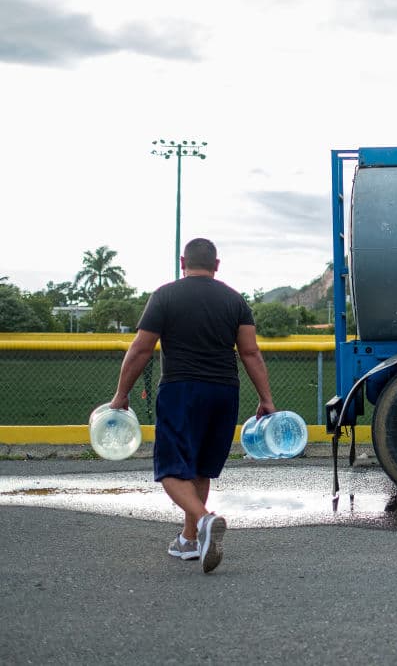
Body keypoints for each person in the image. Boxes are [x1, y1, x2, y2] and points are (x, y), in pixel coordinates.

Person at [110, 238, 275, 573]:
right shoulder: (234, 300)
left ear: (183, 261)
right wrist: (266, 399)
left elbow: (141, 349)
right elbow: (250, 353)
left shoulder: (165, 296)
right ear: (217, 265)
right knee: (200, 467)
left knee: (170, 469)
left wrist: (121, 395)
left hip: (181, 389)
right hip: (224, 392)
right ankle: (189, 540)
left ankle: (203, 520)